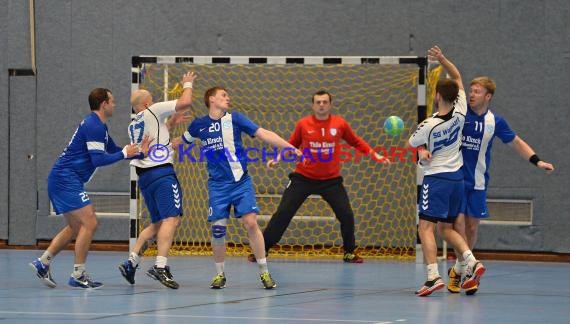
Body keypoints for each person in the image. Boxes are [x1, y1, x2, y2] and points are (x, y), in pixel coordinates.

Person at [247, 90, 391, 264]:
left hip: (331, 181)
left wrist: (375, 155)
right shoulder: (303, 124)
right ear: (313, 105)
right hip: (303, 178)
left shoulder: (340, 124)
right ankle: (262, 250)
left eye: (324, 102)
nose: (321, 105)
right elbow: (290, 144)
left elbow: (356, 141)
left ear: (330, 105)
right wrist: (277, 159)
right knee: (283, 212)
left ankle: (349, 252)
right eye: (318, 102)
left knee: (346, 214)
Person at [180, 86, 302, 289]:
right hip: (218, 186)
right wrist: (160, 139)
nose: (229, 98)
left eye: (228, 95)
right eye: (224, 95)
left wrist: (290, 148)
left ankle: (264, 272)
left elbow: (263, 133)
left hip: (240, 182)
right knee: (218, 230)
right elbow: (179, 142)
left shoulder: (235, 118)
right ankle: (220, 275)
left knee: (251, 222)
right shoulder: (198, 125)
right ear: (212, 99)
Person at [445, 76, 555, 295]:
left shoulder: (495, 122)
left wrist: (537, 160)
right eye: (471, 90)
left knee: (472, 227)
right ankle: (469, 269)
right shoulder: (460, 114)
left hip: (478, 181)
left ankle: (459, 268)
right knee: (457, 226)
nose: (472, 94)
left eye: (477, 91)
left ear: (488, 96)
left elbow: (517, 142)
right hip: (456, 181)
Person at [30, 88, 147, 289]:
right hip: (65, 180)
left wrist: (138, 153)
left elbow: (114, 150)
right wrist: (126, 154)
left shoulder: (100, 126)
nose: (115, 104)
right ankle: (78, 274)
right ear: (104, 104)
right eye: (112, 101)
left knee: (76, 227)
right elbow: (99, 159)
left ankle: (43, 262)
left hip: (65, 179)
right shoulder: (94, 126)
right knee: (90, 222)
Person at [408, 45, 485, 297]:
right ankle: (471, 261)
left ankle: (432, 277)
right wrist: (443, 59)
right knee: (447, 228)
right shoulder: (462, 111)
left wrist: (421, 150)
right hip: (457, 179)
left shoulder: (428, 125)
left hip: (437, 179)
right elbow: (458, 77)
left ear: (439, 96)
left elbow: (412, 142)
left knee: (426, 228)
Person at [118, 72, 197, 289]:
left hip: (145, 177)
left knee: (159, 223)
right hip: (161, 173)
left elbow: (158, 139)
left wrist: (171, 122)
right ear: (146, 103)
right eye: (151, 99)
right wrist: (187, 84)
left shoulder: (133, 125)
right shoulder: (153, 110)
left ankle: (131, 262)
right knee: (172, 218)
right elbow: (185, 102)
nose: (153, 101)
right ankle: (160, 266)